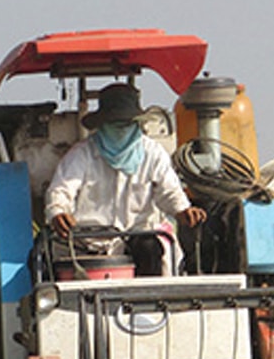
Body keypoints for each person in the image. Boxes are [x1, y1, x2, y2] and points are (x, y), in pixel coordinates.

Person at [44, 83, 206, 276]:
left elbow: (169, 191)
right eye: (114, 124)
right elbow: (61, 190)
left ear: (137, 123)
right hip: (86, 245)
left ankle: (149, 302)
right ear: (102, 124)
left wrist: (183, 211)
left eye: (126, 124)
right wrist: (58, 212)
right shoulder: (82, 154)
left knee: (150, 247)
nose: (120, 130)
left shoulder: (152, 153)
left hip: (138, 240)